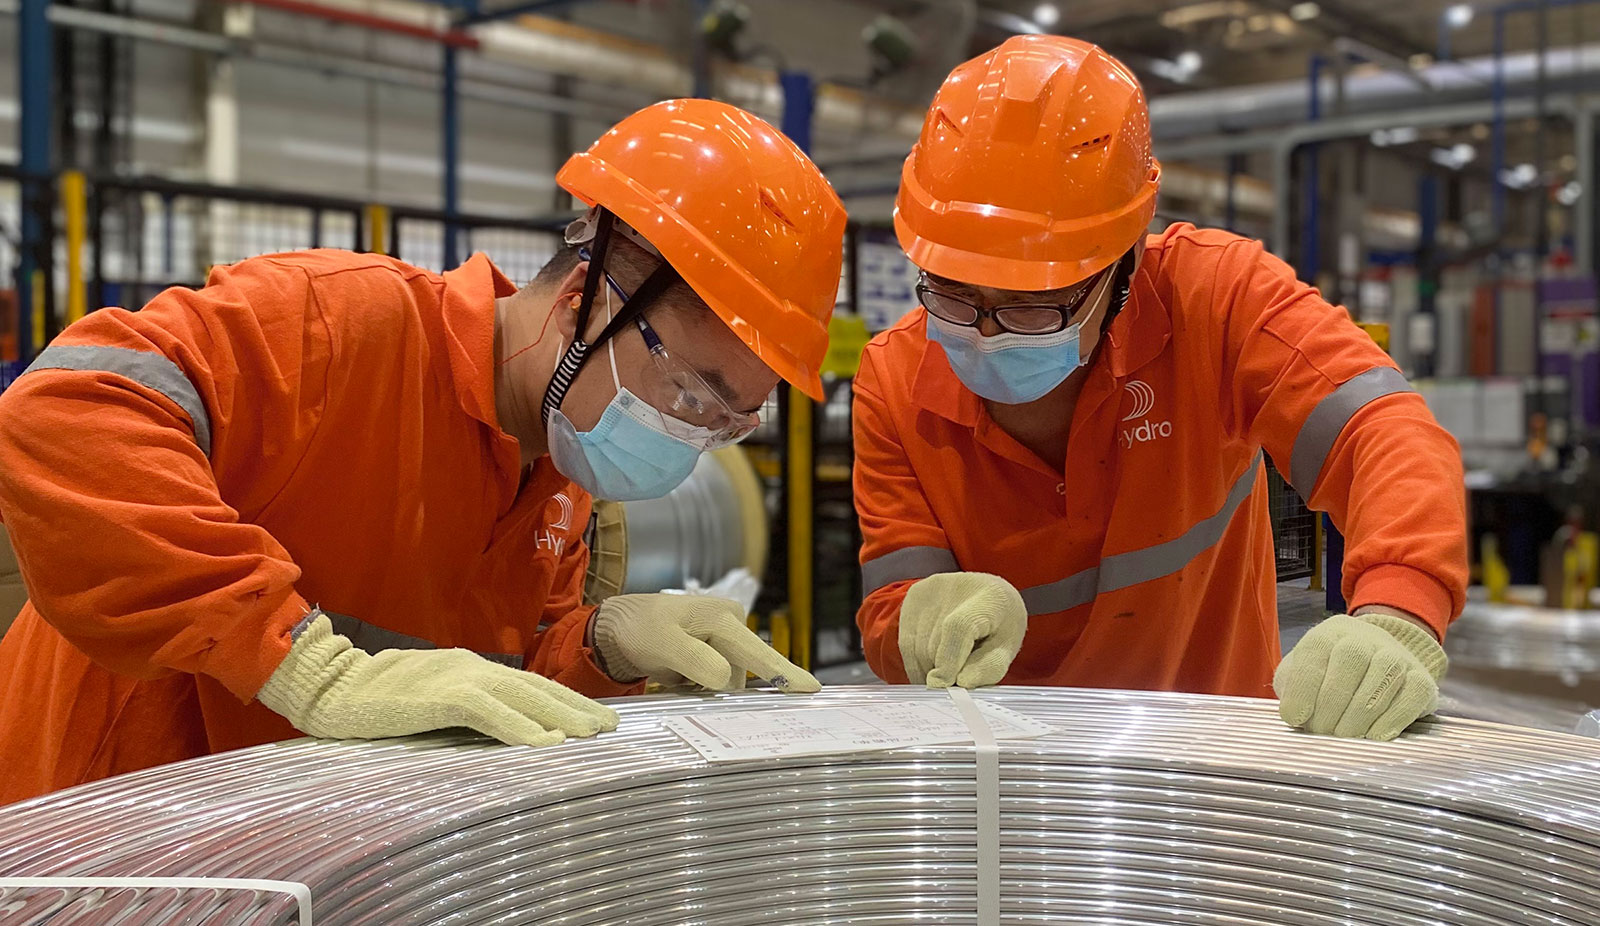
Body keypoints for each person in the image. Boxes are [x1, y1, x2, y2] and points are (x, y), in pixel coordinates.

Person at [0, 98, 845, 803]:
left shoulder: (557, 471)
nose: (689, 437)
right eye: (690, 393)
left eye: (724, 422)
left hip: (291, 842)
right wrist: (301, 665)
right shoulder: (338, 326)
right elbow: (64, 408)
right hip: (108, 824)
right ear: (587, 297)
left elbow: (481, 672)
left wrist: (604, 643)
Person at [853, 35, 1468, 741]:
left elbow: (1387, 434)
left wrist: (1399, 610)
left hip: (1212, 771)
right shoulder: (892, 380)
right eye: (955, 294)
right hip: (1011, 780)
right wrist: (918, 623)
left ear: (1125, 264)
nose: (987, 333)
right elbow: (892, 610)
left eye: (1033, 304)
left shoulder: (1219, 301)